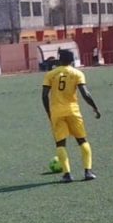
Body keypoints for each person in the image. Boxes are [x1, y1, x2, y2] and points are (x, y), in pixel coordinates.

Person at [41, 48, 101, 183]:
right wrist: (95, 108)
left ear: (59, 60)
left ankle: (67, 174)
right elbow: (85, 94)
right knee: (82, 140)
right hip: (73, 111)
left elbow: (44, 95)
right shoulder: (77, 73)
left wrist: (48, 112)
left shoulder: (51, 74)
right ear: (72, 61)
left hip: (57, 112)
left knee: (60, 144)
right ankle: (88, 172)